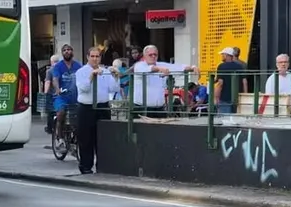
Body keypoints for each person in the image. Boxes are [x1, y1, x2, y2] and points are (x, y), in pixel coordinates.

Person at [74, 47, 120, 175]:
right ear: (87, 57)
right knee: (86, 139)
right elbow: (83, 88)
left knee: (103, 138)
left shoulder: (105, 71)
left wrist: (115, 77)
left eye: (97, 56)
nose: (95, 59)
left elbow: (113, 88)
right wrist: (92, 75)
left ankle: (103, 166)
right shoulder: (81, 72)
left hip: (103, 107)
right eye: (92, 56)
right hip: (87, 107)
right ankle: (86, 166)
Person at [129, 44, 198, 117]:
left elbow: (178, 67)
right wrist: (159, 69)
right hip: (141, 108)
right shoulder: (139, 65)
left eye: (155, 54)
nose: (153, 56)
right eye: (150, 55)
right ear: (144, 56)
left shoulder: (161, 65)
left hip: (159, 108)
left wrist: (193, 67)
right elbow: (148, 69)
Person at [51, 44, 82, 151]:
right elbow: (55, 79)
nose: (67, 51)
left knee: (80, 117)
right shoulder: (58, 66)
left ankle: (75, 139)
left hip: (75, 96)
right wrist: (57, 89)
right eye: (64, 50)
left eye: (69, 49)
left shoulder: (78, 65)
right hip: (62, 96)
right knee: (61, 113)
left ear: (72, 52)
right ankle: (60, 138)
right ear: (62, 53)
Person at [214, 47, 244, 114]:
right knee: (236, 118)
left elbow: (220, 83)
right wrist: (244, 96)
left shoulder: (221, 66)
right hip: (237, 98)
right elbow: (244, 82)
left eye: (223, 54)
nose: (222, 56)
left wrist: (216, 98)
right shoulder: (239, 66)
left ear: (227, 55)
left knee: (225, 119)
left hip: (225, 99)